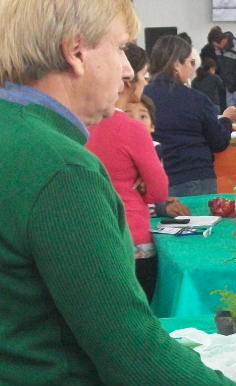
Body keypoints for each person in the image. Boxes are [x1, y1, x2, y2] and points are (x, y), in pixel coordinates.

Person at [0, 0, 236, 386]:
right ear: (75, 51)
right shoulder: (61, 170)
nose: (129, 70)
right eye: (120, 48)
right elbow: (130, 353)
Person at [86, 43, 168, 303]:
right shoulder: (133, 130)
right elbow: (159, 191)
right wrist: (142, 183)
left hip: (93, 233)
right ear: (129, 79)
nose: (145, 81)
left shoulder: (81, 123)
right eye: (144, 75)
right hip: (133, 237)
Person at [144, 35, 236, 196]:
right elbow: (218, 141)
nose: (192, 68)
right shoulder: (196, 99)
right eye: (190, 63)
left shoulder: (140, 99)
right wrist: (226, 120)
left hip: (155, 181)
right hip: (194, 178)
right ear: (177, 64)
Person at [125, 95, 194, 219]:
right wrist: (161, 207)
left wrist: (162, 202)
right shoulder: (119, 152)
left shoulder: (155, 149)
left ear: (152, 126)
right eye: (128, 117)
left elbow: (154, 192)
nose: (136, 122)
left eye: (143, 117)